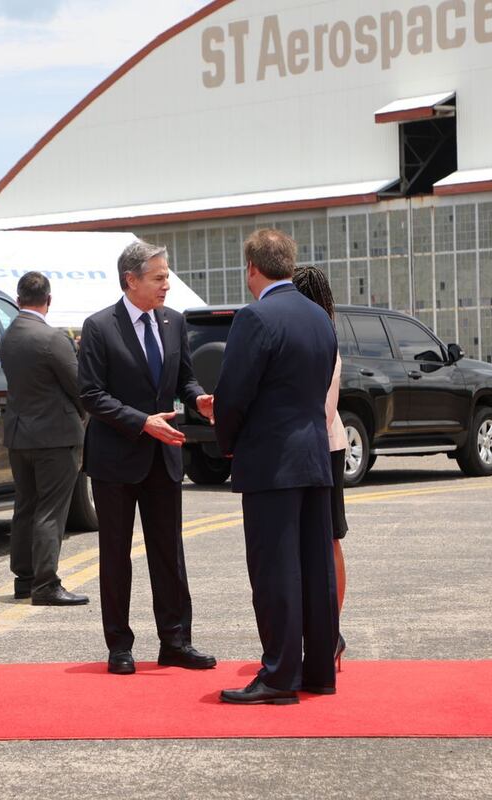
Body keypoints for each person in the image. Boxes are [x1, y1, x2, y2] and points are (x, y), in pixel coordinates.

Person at [77, 240, 217, 675]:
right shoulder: (100, 327)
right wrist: (142, 421)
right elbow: (91, 395)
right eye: (159, 277)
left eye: (167, 275)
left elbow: (185, 377)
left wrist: (200, 399)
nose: (167, 285)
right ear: (131, 280)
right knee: (116, 556)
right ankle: (119, 645)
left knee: (169, 554)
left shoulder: (174, 323)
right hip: (116, 460)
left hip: (164, 458)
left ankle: (176, 641)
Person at [215, 229, 339, 705]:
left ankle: (279, 676)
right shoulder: (319, 318)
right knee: (315, 569)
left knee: (275, 572)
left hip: (271, 460)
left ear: (252, 268)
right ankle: (318, 673)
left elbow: (234, 394)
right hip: (314, 456)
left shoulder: (255, 317)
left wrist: (226, 443)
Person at [0, 271, 89, 607]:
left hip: (20, 435)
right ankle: (46, 582)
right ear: (48, 301)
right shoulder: (52, 338)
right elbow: (79, 386)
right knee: (51, 510)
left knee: (25, 506)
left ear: (19, 298)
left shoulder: (9, 335)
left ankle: (24, 578)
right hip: (55, 435)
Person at [291, 265, 349, 667]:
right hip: (319, 446)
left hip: (322, 447)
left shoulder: (321, 339)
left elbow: (324, 411)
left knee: (328, 539)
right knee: (321, 542)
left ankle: (331, 632)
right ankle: (326, 630)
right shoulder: (320, 334)